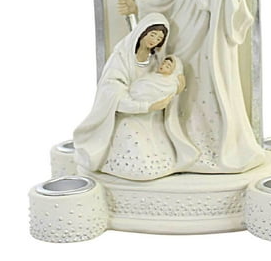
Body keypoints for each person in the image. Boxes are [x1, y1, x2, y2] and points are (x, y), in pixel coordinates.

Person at [118, 0, 265, 173]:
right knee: (182, 76)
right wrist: (139, 4)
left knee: (210, 77)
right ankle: (185, 141)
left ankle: (215, 142)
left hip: (210, 24)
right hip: (185, 21)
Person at [73, 13, 198, 180]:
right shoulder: (121, 59)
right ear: (142, 32)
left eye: (159, 38)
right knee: (135, 144)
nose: (154, 40)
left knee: (161, 143)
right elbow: (113, 95)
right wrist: (146, 106)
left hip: (152, 117)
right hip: (127, 115)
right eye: (152, 34)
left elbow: (166, 78)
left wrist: (177, 81)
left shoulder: (156, 60)